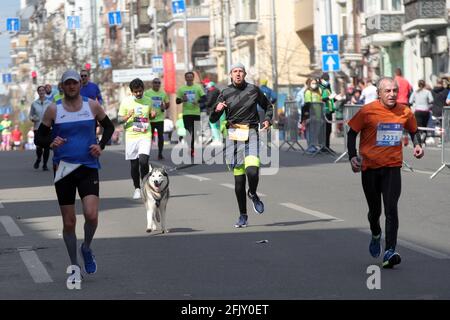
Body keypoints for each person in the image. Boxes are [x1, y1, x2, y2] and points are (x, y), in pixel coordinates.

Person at [34, 69, 115, 283]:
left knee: (91, 215)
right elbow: (39, 137)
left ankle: (86, 247)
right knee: (69, 222)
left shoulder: (92, 106)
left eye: (74, 83)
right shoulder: (54, 109)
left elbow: (108, 126)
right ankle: (74, 265)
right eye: (67, 84)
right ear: (62, 87)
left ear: (80, 85)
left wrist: (101, 145)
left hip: (88, 166)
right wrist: (49, 143)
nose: (71, 87)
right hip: (63, 169)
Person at [347, 77, 424, 268]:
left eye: (394, 91)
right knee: (375, 211)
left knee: (391, 209)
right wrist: (352, 156)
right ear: (379, 93)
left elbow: (414, 131)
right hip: (370, 168)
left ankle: (390, 250)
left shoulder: (405, 111)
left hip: (392, 167)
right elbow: (351, 133)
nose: (392, 94)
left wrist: (418, 145)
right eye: (387, 91)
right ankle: (375, 233)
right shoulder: (367, 111)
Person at [210, 63, 273, 228]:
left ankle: (252, 192)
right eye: (235, 71)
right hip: (233, 136)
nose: (238, 74)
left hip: (251, 133)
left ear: (245, 74)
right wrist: (217, 110)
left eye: (240, 71)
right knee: (239, 181)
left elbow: (267, 105)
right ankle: (243, 216)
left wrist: (267, 119)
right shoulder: (224, 93)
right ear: (230, 74)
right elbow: (212, 120)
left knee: (252, 171)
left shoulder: (253, 90)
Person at [118, 78, 156, 199]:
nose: (139, 93)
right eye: (136, 92)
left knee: (143, 161)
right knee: (134, 165)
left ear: (143, 90)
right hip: (131, 136)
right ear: (131, 91)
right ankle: (137, 188)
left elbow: (151, 115)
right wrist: (128, 115)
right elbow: (119, 120)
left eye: (140, 91)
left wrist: (152, 115)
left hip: (145, 134)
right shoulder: (126, 102)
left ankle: (145, 187)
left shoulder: (148, 100)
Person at [176, 72, 206, 157]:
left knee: (195, 132)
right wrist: (182, 99)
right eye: (187, 77)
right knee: (189, 131)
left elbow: (204, 98)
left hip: (196, 113)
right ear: (185, 78)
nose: (189, 79)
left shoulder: (197, 87)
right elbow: (177, 101)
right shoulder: (182, 89)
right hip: (186, 113)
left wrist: (197, 101)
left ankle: (191, 147)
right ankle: (191, 148)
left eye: (191, 77)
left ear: (193, 78)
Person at [144, 77, 170, 160]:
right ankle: (146, 153)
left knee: (160, 137)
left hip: (159, 119)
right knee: (149, 137)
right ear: (152, 84)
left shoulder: (163, 93)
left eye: (158, 83)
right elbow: (143, 103)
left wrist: (164, 107)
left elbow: (167, 104)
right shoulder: (147, 93)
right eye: (155, 82)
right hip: (150, 119)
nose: (157, 84)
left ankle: (160, 153)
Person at [29, 85, 52, 170]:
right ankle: (39, 159)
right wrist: (33, 118)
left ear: (45, 92)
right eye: (40, 91)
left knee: (46, 147)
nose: (41, 92)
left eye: (43, 90)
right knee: (39, 146)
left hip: (47, 127)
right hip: (37, 127)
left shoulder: (49, 103)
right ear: (38, 92)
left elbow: (53, 114)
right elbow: (30, 115)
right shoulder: (34, 104)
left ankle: (45, 164)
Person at [319, 73, 336, 151]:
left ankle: (327, 146)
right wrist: (329, 97)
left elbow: (330, 100)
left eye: (328, 80)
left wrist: (336, 98)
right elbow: (321, 99)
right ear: (321, 80)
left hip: (329, 111)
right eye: (325, 80)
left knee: (328, 130)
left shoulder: (327, 87)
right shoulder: (319, 87)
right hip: (323, 111)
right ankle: (323, 146)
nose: (327, 81)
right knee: (324, 130)